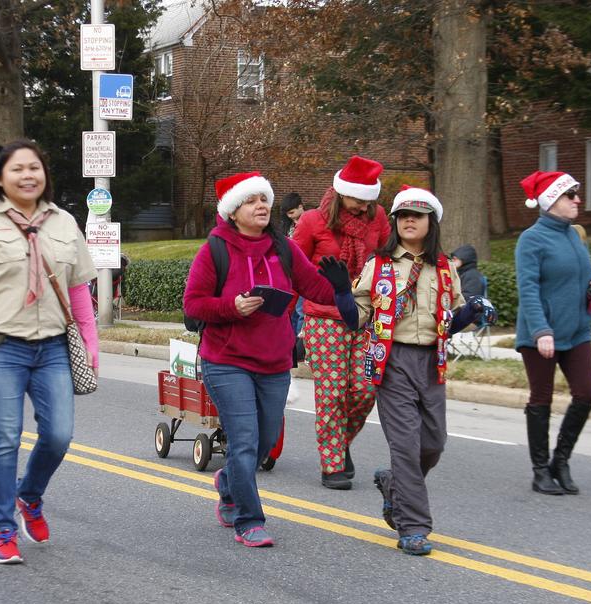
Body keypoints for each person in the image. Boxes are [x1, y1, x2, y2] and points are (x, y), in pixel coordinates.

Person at [0, 138, 98, 564]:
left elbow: (79, 290)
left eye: (35, 167)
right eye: (17, 169)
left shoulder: (65, 223)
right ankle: (2, 531)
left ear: (44, 174)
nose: (27, 175)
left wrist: (90, 345)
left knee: (58, 435)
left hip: (52, 347)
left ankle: (29, 496)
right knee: (5, 438)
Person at [320, 186, 491, 555]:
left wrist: (474, 310)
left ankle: (393, 484)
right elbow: (357, 320)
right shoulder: (378, 266)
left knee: (434, 444)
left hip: (431, 363)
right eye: (402, 215)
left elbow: (452, 321)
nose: (409, 220)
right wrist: (341, 295)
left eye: (418, 214)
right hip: (392, 362)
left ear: (432, 223)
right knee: (406, 446)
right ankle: (412, 526)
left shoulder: (444, 268)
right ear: (395, 223)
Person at [183, 172, 350, 547]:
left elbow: (316, 288)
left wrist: (340, 284)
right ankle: (249, 520)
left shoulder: (284, 249)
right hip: (226, 361)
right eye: (251, 200)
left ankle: (228, 483)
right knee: (244, 442)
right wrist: (233, 306)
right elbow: (193, 305)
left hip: (274, 361)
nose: (261, 205)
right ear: (233, 211)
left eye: (264, 199)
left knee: (265, 441)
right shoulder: (215, 249)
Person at [293, 155, 390, 489]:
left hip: (364, 317)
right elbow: (292, 270)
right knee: (333, 392)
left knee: (365, 390)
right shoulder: (311, 221)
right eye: (356, 201)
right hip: (324, 316)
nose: (363, 208)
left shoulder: (378, 219)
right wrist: (286, 325)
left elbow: (389, 260)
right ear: (340, 193)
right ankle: (332, 463)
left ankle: (339, 442)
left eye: (368, 201)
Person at [515, 171, 591, 496]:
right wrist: (540, 330)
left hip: (577, 330)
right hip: (542, 334)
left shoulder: (574, 236)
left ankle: (560, 461)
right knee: (542, 399)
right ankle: (540, 471)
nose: (578, 199)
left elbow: (585, 277)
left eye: (576, 194)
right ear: (551, 201)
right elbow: (528, 288)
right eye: (571, 195)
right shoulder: (531, 239)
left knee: (586, 394)